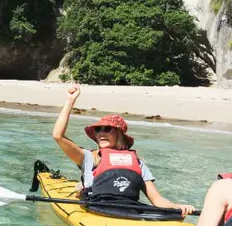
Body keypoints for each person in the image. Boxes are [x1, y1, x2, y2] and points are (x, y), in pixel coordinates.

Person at [52, 84, 195, 216]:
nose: (101, 133)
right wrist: (70, 100)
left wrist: (178, 206)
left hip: (128, 211)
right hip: (96, 209)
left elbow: (157, 201)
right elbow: (58, 136)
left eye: (107, 129)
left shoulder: (137, 163)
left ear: (119, 134)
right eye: (98, 129)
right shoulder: (88, 157)